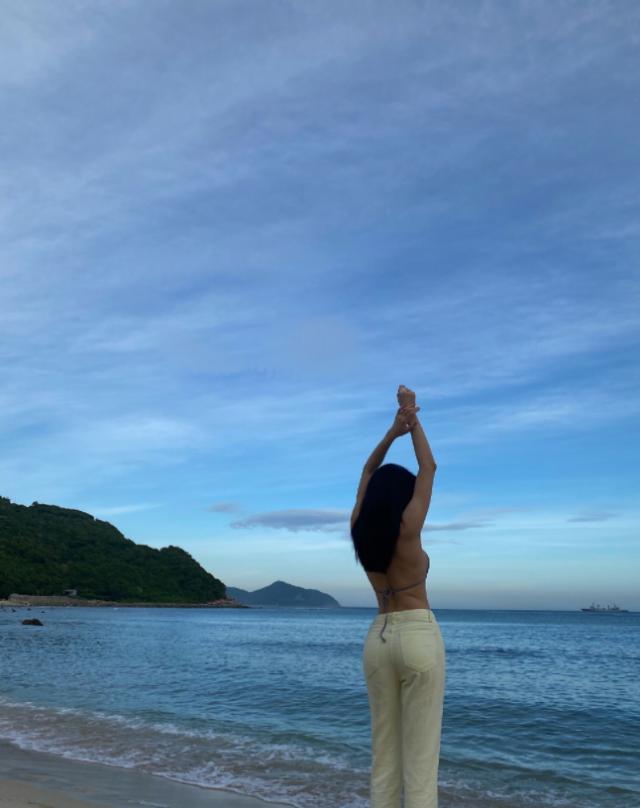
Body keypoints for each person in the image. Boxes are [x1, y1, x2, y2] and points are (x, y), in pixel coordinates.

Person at [350, 385, 445, 808]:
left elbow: (368, 470)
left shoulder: (358, 526)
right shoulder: (408, 527)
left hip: (378, 639)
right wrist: (411, 416)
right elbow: (429, 467)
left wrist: (393, 432)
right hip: (417, 635)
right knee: (420, 763)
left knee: (384, 755)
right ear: (403, 496)